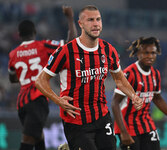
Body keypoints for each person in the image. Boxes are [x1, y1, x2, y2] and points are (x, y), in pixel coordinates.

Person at [35, 5, 143, 150]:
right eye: (90, 20)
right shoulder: (66, 51)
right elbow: (40, 81)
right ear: (81, 24)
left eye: (98, 19)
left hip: (102, 116)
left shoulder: (108, 50)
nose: (95, 23)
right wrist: (58, 100)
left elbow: (119, 79)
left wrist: (133, 96)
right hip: (76, 120)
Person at [8, 6, 77, 150]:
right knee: (27, 140)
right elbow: (71, 43)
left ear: (19, 35)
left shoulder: (13, 54)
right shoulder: (42, 46)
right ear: (34, 32)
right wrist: (70, 18)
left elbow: (12, 78)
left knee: (38, 136)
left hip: (21, 103)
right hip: (37, 99)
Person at [111, 37, 167, 150]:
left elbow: (157, 99)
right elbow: (115, 103)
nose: (150, 56)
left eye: (153, 53)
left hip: (146, 125)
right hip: (129, 127)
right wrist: (123, 132)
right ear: (138, 53)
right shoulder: (129, 73)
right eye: (146, 53)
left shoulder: (155, 74)